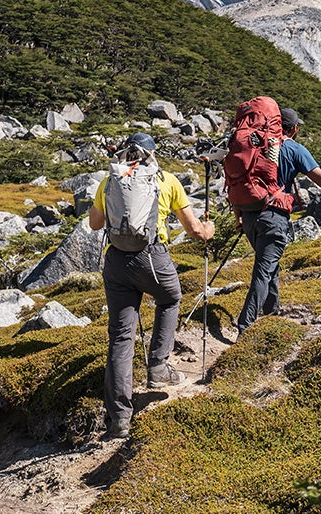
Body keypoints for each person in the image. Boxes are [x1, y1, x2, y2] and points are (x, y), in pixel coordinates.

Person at [88, 132, 215, 439]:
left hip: (116, 261)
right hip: (152, 256)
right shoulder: (166, 180)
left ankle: (119, 419)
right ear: (150, 154)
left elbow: (94, 224)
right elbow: (195, 229)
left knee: (120, 337)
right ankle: (157, 365)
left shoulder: (111, 180)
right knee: (170, 298)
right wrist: (208, 229)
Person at [235, 107, 321, 335]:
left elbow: (241, 180)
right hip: (274, 218)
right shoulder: (294, 149)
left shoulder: (256, 146)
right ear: (295, 128)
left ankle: (272, 313)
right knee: (263, 271)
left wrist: (239, 216)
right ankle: (245, 326)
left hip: (250, 215)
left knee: (270, 265)